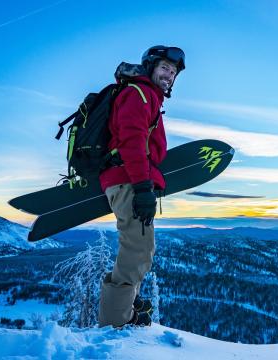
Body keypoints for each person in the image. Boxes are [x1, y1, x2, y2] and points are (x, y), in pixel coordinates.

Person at [98, 45, 185, 327]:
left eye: (173, 73)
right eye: (164, 68)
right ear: (150, 67)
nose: (169, 76)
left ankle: (125, 310)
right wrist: (143, 187)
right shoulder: (139, 94)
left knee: (141, 248)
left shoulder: (147, 96)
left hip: (130, 179)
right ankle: (114, 325)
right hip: (129, 180)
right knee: (137, 248)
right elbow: (132, 142)